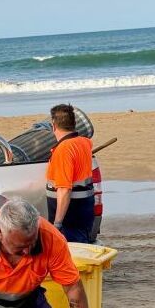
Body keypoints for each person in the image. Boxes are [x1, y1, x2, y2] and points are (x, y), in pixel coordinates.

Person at [45, 104, 95, 244]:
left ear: (53, 125)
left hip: (70, 216)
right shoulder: (84, 143)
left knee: (71, 257)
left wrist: (57, 224)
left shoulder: (64, 150)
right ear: (73, 123)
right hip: (84, 210)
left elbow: (64, 189)